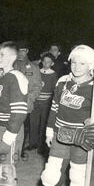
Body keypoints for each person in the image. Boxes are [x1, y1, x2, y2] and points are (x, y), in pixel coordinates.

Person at [41, 45, 94, 186]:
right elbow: (54, 108)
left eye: (82, 63)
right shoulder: (63, 81)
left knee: (77, 177)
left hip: (81, 138)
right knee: (49, 177)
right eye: (74, 62)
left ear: (91, 65)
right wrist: (49, 132)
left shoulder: (93, 87)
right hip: (60, 135)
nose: (77, 67)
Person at [0, 41, 28, 185]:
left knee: (5, 172)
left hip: (7, 130)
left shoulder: (17, 77)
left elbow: (20, 112)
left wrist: (8, 137)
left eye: (2, 54)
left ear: (12, 57)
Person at [13, 41, 42, 157]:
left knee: (24, 127)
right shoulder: (11, 65)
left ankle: (20, 150)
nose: (20, 53)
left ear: (27, 51)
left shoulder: (33, 67)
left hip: (25, 102)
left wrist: (30, 98)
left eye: (23, 50)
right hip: (11, 102)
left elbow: (37, 86)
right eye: (18, 51)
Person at [29, 52, 58, 155]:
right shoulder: (38, 72)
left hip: (46, 103)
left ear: (52, 63)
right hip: (36, 101)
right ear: (41, 62)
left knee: (44, 124)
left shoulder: (53, 74)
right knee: (33, 122)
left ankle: (42, 145)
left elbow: (55, 90)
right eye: (44, 61)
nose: (46, 64)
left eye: (48, 62)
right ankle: (33, 143)